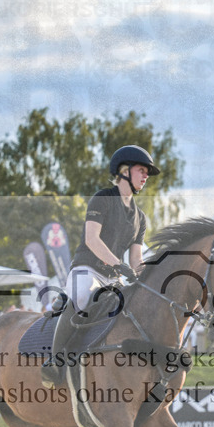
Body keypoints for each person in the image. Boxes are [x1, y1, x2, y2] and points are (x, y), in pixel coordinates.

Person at [42, 144, 158, 387]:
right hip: (87, 269)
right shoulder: (103, 199)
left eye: (147, 172)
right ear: (124, 170)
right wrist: (119, 264)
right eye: (141, 170)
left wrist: (147, 273)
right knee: (81, 298)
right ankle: (54, 361)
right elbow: (91, 239)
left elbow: (136, 259)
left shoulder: (140, 218)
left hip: (113, 279)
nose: (146, 175)